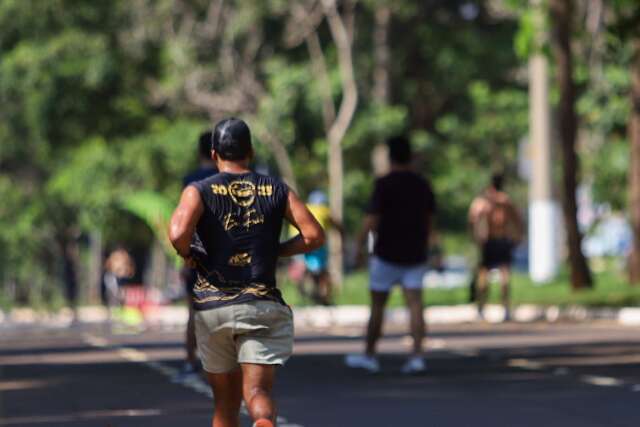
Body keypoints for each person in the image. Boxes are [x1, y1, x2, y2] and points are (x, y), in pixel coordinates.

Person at [169, 118, 324, 427]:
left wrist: (189, 253)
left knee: (225, 406)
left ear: (214, 155)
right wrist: (276, 250)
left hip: (214, 309)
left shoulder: (198, 190)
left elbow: (177, 233)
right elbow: (313, 235)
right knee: (257, 391)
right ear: (250, 151)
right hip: (262, 305)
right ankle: (263, 420)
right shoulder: (277, 188)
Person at [346, 136, 437, 374]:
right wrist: (435, 249)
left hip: (386, 253)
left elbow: (371, 219)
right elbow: (430, 221)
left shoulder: (383, 184)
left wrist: (358, 247)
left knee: (378, 306)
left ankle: (370, 355)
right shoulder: (422, 184)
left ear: (390, 157)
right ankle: (417, 356)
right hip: (416, 253)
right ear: (411, 155)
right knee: (415, 304)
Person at [175, 131, 219, 381]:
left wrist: (184, 256)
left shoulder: (191, 181)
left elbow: (185, 221)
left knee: (194, 311)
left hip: (197, 254)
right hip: (225, 255)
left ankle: (191, 361)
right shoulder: (225, 178)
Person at [468, 174, 524, 321]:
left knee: (484, 275)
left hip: (489, 241)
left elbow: (473, 218)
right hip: (503, 240)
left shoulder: (483, 202)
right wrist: (518, 236)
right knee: (504, 275)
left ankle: (481, 308)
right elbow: (518, 219)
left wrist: (476, 236)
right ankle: (505, 308)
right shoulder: (506, 200)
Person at [289, 190, 340, 305]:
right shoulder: (324, 210)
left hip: (295, 241)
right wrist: (342, 235)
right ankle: (323, 295)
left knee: (302, 267)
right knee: (321, 271)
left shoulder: (303, 208)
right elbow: (338, 226)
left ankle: (303, 289)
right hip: (314, 242)